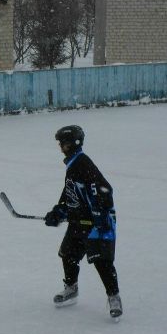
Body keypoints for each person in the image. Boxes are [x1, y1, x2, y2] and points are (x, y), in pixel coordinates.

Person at [44, 125, 122, 320]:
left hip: (99, 221)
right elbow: (70, 192)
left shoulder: (83, 164)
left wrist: (99, 215)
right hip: (81, 220)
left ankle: (114, 297)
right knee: (68, 253)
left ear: (73, 144)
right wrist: (59, 211)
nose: (60, 147)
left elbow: (104, 190)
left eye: (64, 143)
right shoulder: (73, 164)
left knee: (101, 260)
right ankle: (71, 288)